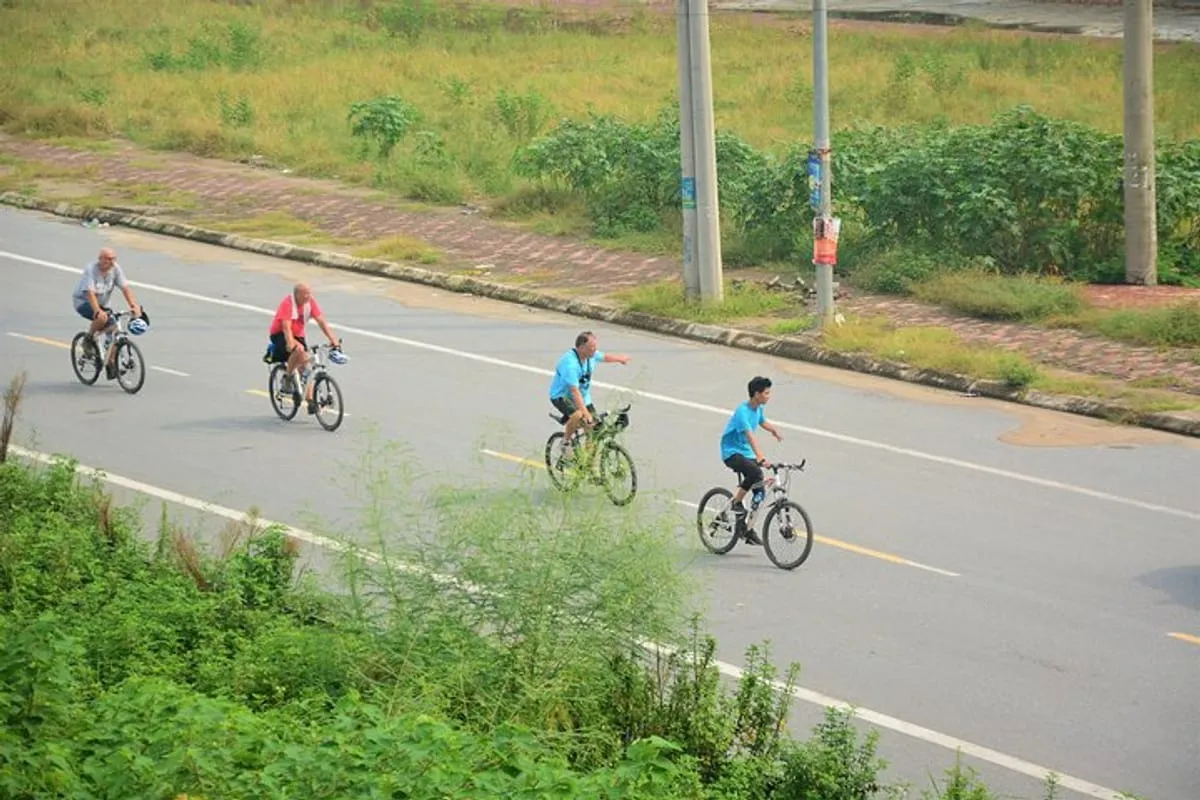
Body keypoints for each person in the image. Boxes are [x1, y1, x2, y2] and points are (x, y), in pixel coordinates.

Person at [719, 376, 783, 545]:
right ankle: (737, 502)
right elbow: (750, 435)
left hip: (745, 453)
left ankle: (747, 529)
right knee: (755, 471)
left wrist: (774, 430)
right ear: (756, 394)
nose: (769, 396)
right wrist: (761, 456)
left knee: (759, 490)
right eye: (766, 393)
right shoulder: (742, 412)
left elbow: (762, 422)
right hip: (731, 452)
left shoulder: (758, 409)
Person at [548, 331, 630, 454]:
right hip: (562, 396)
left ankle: (586, 464)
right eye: (591, 348)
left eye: (595, 347)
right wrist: (587, 415)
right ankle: (565, 442)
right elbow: (574, 392)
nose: (594, 351)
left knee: (594, 432)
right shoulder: (570, 364)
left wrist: (620, 359)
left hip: (584, 398)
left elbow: (604, 357)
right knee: (578, 415)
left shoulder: (590, 355)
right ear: (581, 348)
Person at [268, 282, 341, 414]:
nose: (308, 296)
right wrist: (291, 342)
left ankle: (310, 400)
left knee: (307, 366)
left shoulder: (310, 303)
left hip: (298, 334)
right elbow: (286, 326)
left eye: (310, 293)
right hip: (280, 334)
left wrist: (333, 339)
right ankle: (288, 377)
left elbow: (321, 321)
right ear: (297, 295)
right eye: (305, 294)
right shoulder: (288, 303)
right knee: (299, 351)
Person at [72, 247, 142, 380]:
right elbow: (90, 293)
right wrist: (98, 310)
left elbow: (125, 288)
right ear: (100, 259)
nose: (111, 262)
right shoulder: (91, 270)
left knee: (115, 331)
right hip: (84, 302)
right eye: (108, 259)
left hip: (104, 304)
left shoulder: (116, 269)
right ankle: (88, 338)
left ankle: (110, 363)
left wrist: (133, 305)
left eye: (113, 259)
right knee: (102, 318)